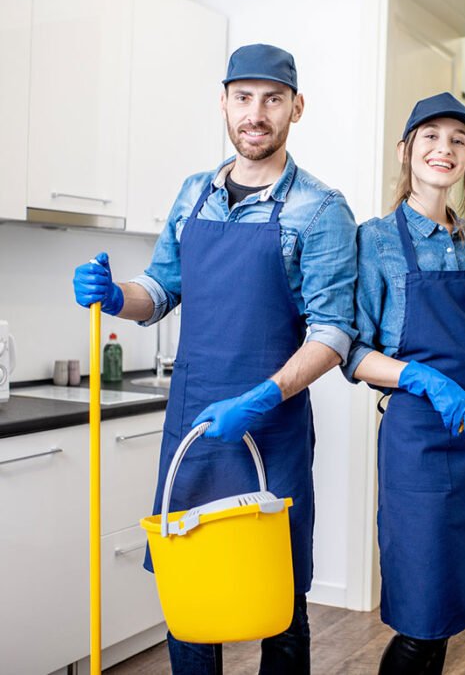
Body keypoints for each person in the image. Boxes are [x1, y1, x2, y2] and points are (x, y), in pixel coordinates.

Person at [73, 43, 357, 675]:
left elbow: (334, 333)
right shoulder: (193, 194)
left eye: (273, 100)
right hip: (193, 431)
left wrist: (262, 397)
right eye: (243, 98)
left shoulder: (320, 207)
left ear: (296, 108)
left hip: (272, 429)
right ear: (224, 103)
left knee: (279, 604)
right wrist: (118, 296)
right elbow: (161, 290)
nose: (256, 114)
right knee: (190, 595)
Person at [342, 92, 465, 675]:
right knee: (421, 615)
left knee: (449, 608)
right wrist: (421, 377)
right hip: (418, 445)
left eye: (458, 140)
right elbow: (351, 352)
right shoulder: (374, 239)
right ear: (406, 150)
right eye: (431, 136)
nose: (444, 149)